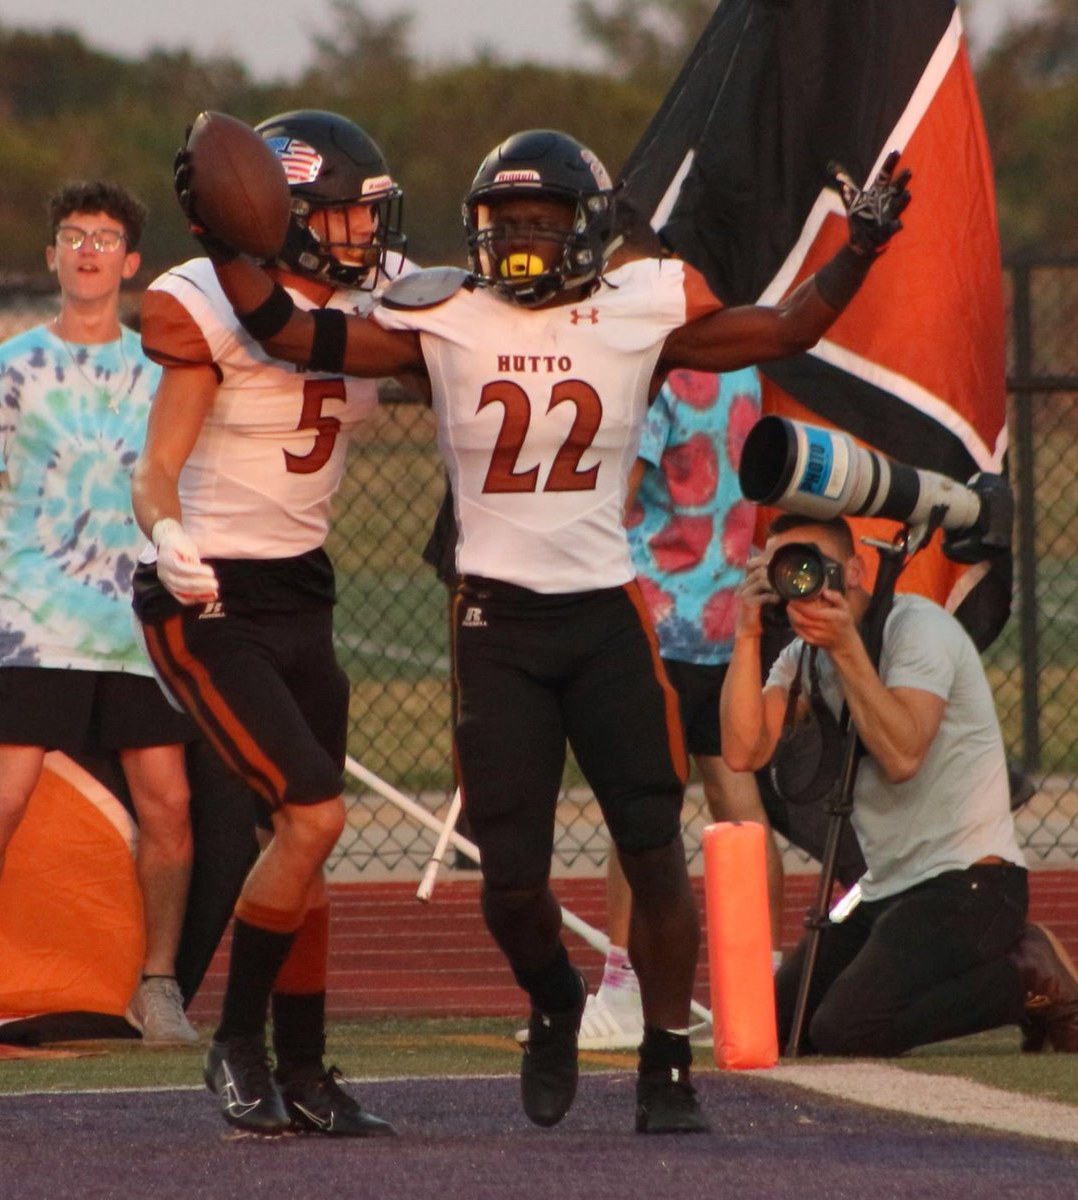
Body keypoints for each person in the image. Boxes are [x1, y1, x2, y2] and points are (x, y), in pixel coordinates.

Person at [183, 128, 912, 1133]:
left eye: (542, 221)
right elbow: (291, 335)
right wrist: (227, 233)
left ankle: (665, 1063)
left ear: (586, 229)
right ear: (476, 232)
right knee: (510, 887)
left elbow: (782, 328)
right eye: (505, 223)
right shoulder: (446, 314)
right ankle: (557, 999)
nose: (522, 241)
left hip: (605, 618)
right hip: (496, 623)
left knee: (652, 849)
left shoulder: (639, 306)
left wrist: (858, 247)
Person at [132, 110, 405, 1138]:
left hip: (302, 591)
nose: (361, 236)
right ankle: (236, 1043)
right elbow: (155, 469)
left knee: (303, 842)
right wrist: (165, 533)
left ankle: (304, 1068)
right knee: (314, 815)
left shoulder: (373, 293)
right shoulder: (201, 308)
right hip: (208, 597)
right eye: (340, 216)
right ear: (276, 215)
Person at [0, 181, 199, 1046]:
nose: (87, 249)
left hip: (136, 626)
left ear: (132, 262)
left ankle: (158, 986)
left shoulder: (162, 370)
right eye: (73, 235)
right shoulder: (8, 368)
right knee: (2, 793)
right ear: (51, 255)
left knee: (170, 803)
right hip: (31, 622)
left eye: (105, 237)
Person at [719, 512, 1078, 1056]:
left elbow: (902, 755)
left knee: (845, 1030)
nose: (800, 582)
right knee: (779, 1026)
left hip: (968, 881)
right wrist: (746, 633)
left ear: (853, 570)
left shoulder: (916, 628)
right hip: (880, 888)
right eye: (784, 569)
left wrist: (848, 649)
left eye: (811, 565)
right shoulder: (802, 656)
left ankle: (1026, 980)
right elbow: (741, 749)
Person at [574, 366, 783, 1052]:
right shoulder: (744, 368)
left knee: (637, 803)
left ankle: (624, 985)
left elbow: (621, 489)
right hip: (726, 608)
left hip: (654, 612)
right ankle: (764, 980)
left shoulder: (657, 371)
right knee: (737, 794)